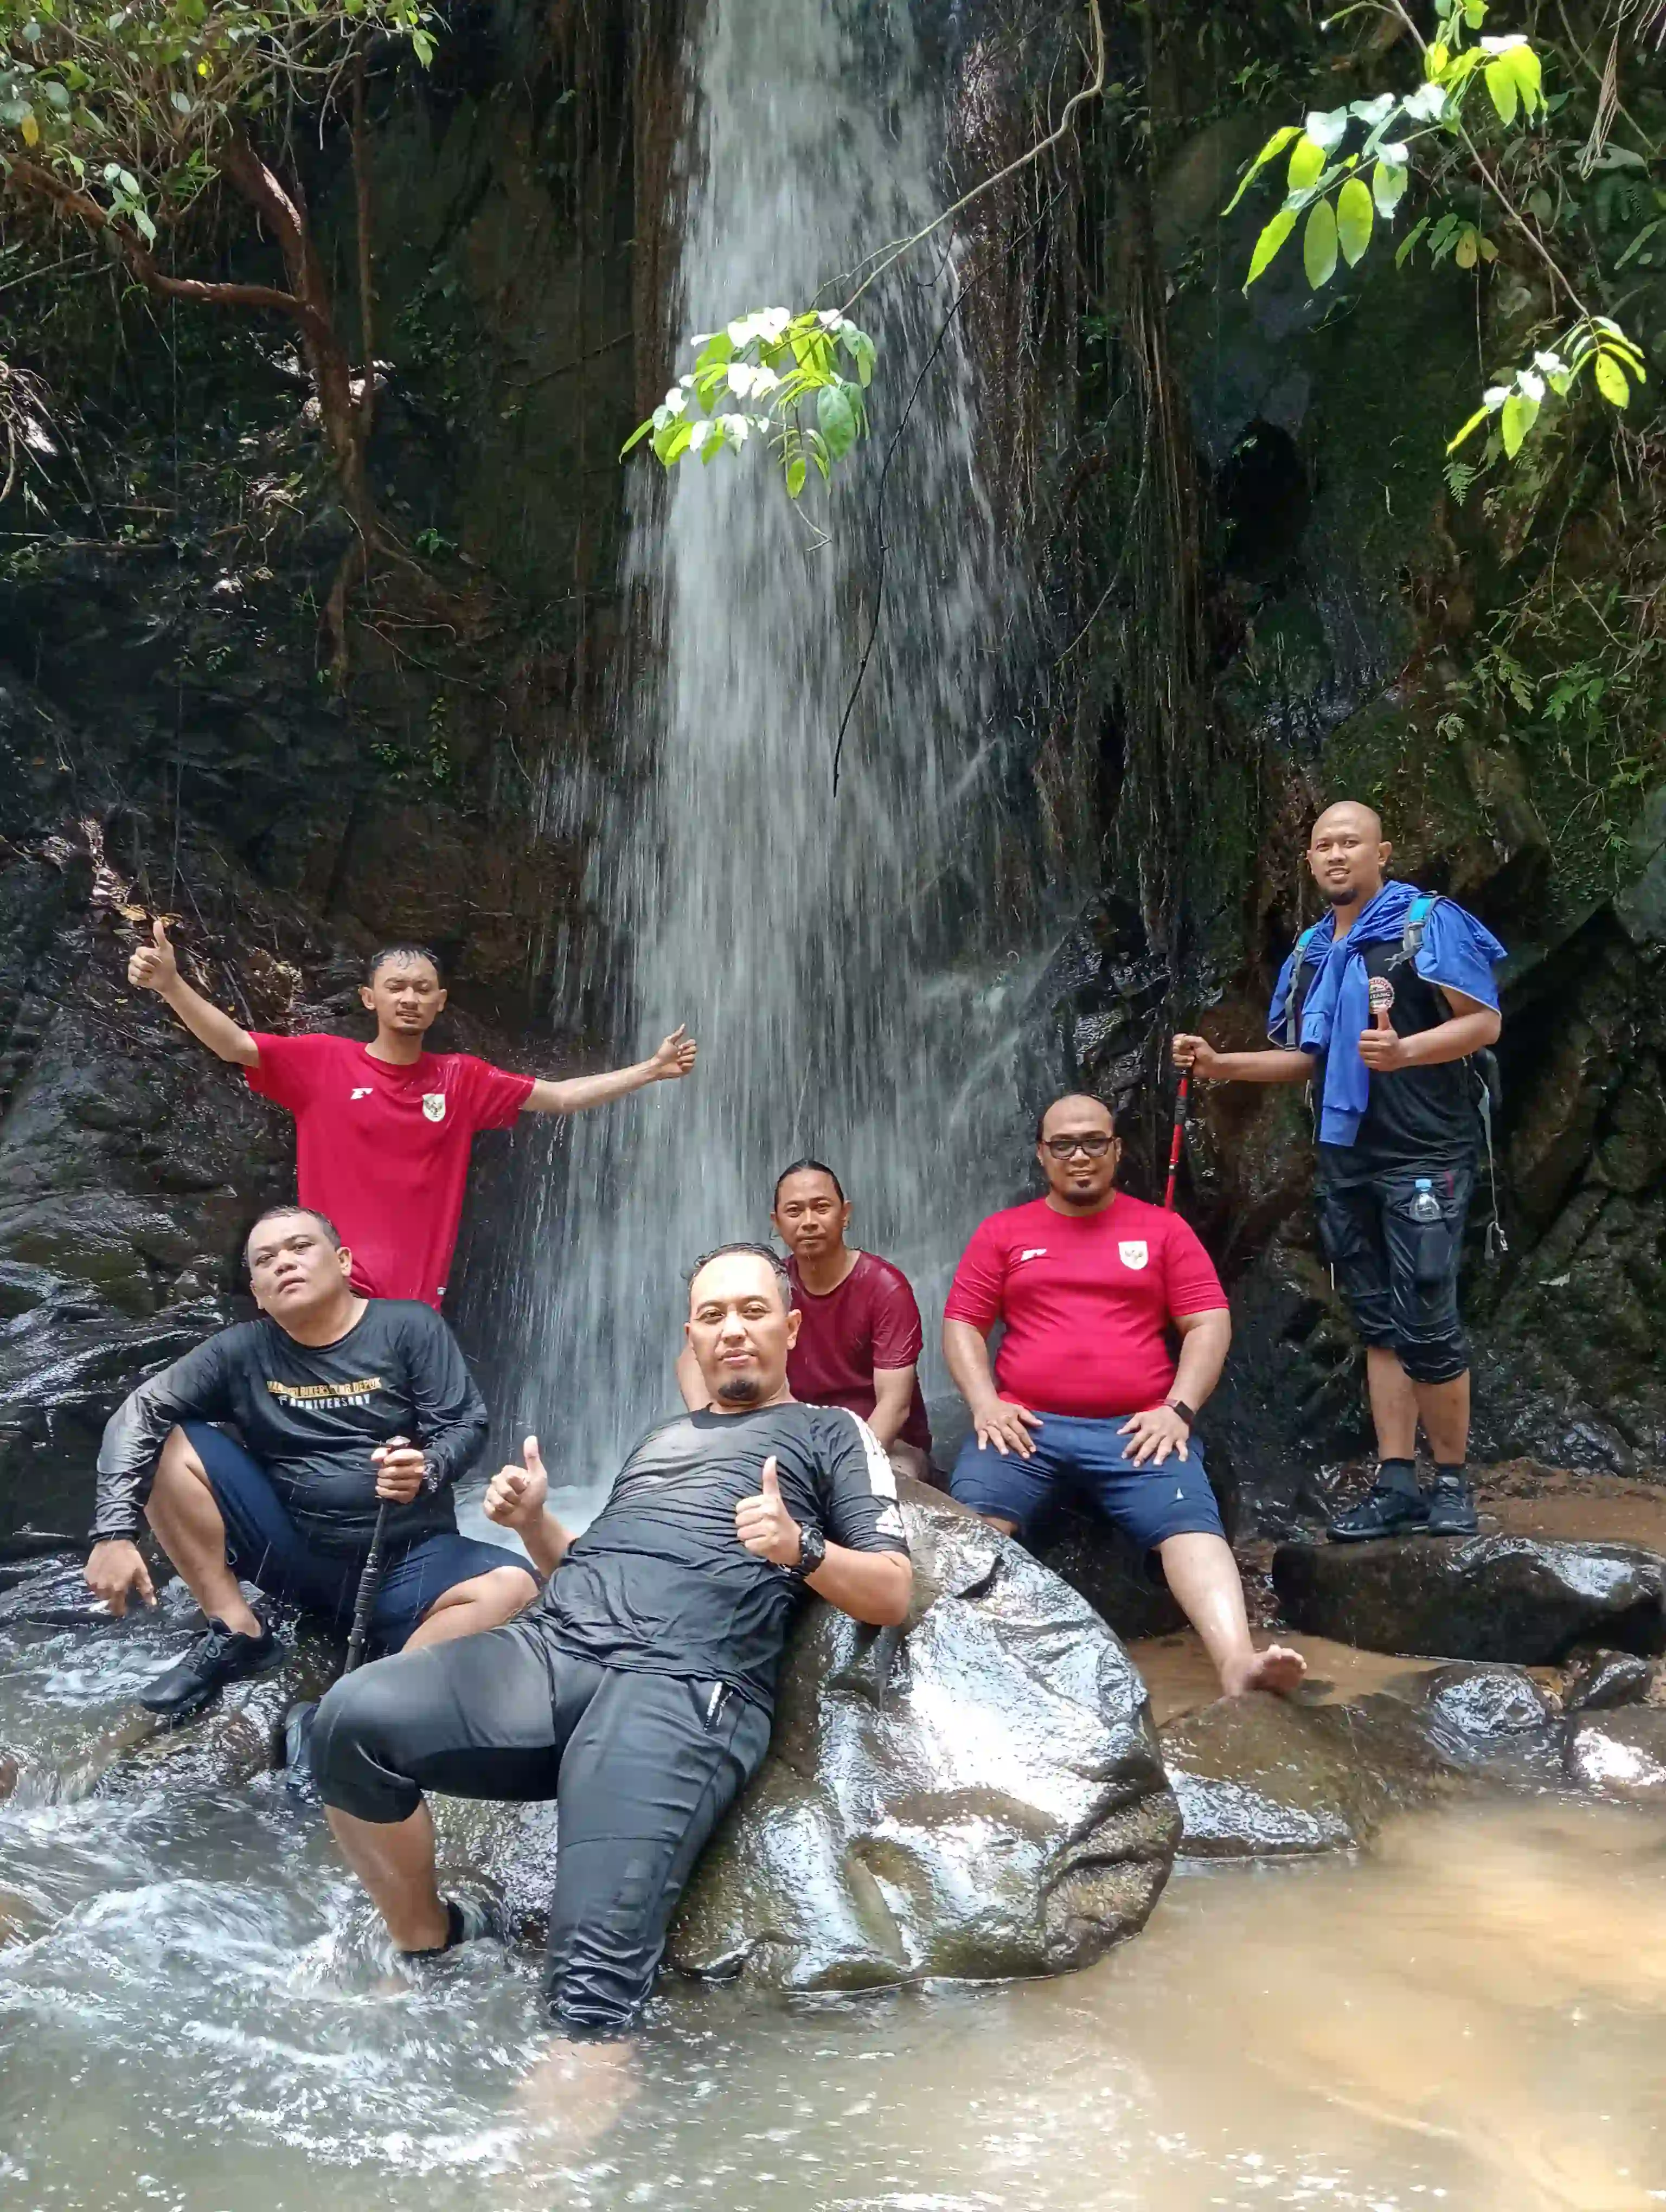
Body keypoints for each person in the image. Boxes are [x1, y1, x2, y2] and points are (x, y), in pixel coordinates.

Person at [310, 1242, 912, 2046]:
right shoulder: (662, 1440)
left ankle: (538, 2172)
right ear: (690, 1339)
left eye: (753, 1311)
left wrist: (800, 1549)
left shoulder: (830, 1434)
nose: (732, 1330)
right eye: (713, 1316)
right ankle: (430, 1936)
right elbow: (591, 1570)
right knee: (347, 1722)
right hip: (555, 1651)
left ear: (792, 1328)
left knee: (589, 1997)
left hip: (681, 1689)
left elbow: (893, 1590)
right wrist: (533, 1524)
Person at [1171, 799, 1506, 1542]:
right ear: (1311, 862)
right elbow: (1308, 1060)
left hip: (1425, 1149)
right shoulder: (1316, 950)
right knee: (1379, 1320)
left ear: (1382, 853)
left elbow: (1483, 1020)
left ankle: (1451, 1483)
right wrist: (1223, 1064)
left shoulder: (1425, 923)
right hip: (1348, 1156)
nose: (1335, 855)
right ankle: (1395, 1480)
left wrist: (1406, 1052)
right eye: (1323, 845)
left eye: (1350, 843)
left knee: (1428, 1307)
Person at [84, 1206, 536, 1718]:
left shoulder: (409, 1327)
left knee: (515, 1587)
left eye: (301, 1248)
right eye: (266, 1259)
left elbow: (466, 1424)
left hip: (407, 1558)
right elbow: (140, 1411)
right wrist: (114, 1533)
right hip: (291, 1551)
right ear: (256, 1291)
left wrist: (427, 1467)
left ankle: (364, 1704)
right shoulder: (240, 1351)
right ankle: (238, 1631)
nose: (284, 1264)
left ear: (342, 1261)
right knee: (166, 1436)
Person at [943, 1093, 1305, 1700]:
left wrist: (1179, 1409)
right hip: (1024, 1426)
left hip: (1136, 1429)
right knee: (970, 1529)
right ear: (1042, 1154)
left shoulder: (1162, 1229)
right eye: (1063, 1144)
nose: (1078, 1156)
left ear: (1116, 1150)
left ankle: (1238, 1663)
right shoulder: (1003, 1232)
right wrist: (985, 1402)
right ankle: (947, 1663)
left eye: (1093, 1142)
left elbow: (1209, 1323)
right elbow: (962, 1325)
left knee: (1192, 1528)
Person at [126, 926, 698, 1309]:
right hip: (333, 1299)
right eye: (395, 987)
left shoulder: (462, 1078)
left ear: (441, 1002)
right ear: (369, 998)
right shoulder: (323, 1061)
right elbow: (234, 1045)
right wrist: (172, 985)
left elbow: (561, 1098)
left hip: (414, 1313)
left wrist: (649, 1069)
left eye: (423, 989)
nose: (409, 997)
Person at [673, 1159, 934, 1482]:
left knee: (887, 1487)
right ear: (777, 1222)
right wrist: (714, 1437)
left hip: (885, 1444)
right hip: (792, 1435)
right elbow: (691, 1360)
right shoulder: (771, 1287)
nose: (808, 1222)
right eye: (794, 1212)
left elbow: (895, 1407)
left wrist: (837, 1475)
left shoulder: (885, 1288)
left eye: (821, 1208)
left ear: (845, 1214)